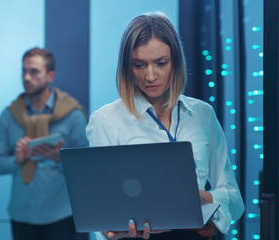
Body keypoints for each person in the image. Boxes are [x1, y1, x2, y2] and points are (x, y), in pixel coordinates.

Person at [86, 12, 245, 240]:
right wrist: (120, 230)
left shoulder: (202, 114)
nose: (151, 76)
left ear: (176, 62)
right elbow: (100, 212)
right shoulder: (106, 120)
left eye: (161, 63)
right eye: (139, 65)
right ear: (127, 68)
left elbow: (235, 201)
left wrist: (198, 198)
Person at [0, 47, 89, 240]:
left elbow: (85, 168)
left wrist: (58, 158)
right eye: (23, 71)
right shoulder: (9, 115)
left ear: (50, 75)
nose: (26, 77)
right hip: (21, 214)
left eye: (34, 71)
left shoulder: (73, 115)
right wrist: (17, 159)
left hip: (61, 215)